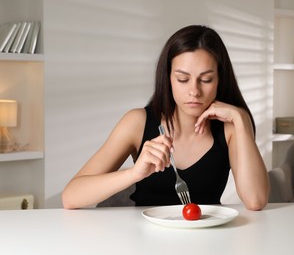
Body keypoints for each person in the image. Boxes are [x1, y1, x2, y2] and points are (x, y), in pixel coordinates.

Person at [62, 25, 269, 211]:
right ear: (168, 78)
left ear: (219, 79)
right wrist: (134, 173)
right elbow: (71, 197)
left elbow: (256, 201)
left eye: (206, 79)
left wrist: (241, 118)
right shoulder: (137, 122)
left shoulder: (231, 128)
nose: (194, 91)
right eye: (183, 79)